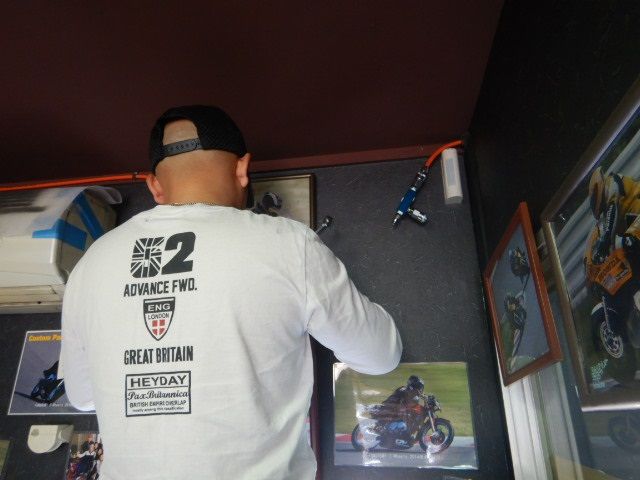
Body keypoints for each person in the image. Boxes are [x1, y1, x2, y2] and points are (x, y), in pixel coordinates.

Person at [60, 105, 402, 479]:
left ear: (154, 186)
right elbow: (380, 355)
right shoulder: (288, 244)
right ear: (242, 169)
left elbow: (82, 396)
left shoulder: (89, 265)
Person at [588, 167, 640, 264]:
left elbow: (612, 210)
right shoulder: (607, 211)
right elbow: (609, 230)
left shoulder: (611, 181)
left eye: (594, 199)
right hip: (635, 219)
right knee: (624, 246)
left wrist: (606, 239)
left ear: (598, 187)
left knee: (628, 242)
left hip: (638, 211)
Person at [375, 375, 424, 447]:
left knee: (407, 417)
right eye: (419, 387)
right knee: (404, 424)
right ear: (415, 386)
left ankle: (394, 437)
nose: (420, 390)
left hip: (392, 412)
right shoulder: (407, 391)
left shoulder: (405, 389)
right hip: (390, 412)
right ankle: (389, 438)